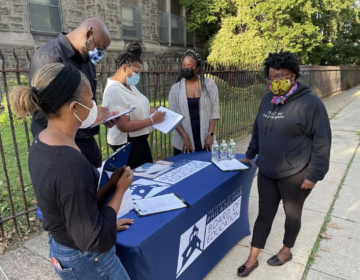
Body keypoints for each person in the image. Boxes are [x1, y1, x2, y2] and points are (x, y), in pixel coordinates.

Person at [11, 63, 133, 280]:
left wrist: (105, 217)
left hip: (67, 244)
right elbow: (94, 240)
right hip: (86, 258)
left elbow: (73, 205)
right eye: (90, 100)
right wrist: (120, 191)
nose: (95, 105)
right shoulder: (69, 164)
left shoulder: (43, 140)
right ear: (75, 108)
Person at [237, 51, 331, 277]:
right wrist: (250, 154)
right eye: (271, 77)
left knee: (292, 215)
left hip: (296, 174)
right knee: (264, 214)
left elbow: (322, 140)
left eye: (281, 76)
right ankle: (252, 258)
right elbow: (258, 130)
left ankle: (286, 250)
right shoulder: (267, 99)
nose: (276, 82)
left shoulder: (311, 103)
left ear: (293, 75)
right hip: (268, 170)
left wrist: (314, 174)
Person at [29, 18, 114, 168]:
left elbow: (86, 100)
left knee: (99, 185)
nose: (99, 53)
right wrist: (90, 118)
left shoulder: (86, 60)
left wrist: (100, 116)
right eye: (99, 48)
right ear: (88, 34)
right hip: (61, 147)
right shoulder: (50, 57)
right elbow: (42, 113)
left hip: (85, 140)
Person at [102, 42, 165, 169]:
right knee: (136, 179)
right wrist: (152, 120)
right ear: (124, 68)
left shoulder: (129, 85)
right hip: (128, 144)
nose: (138, 76)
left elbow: (135, 108)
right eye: (136, 72)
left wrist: (149, 111)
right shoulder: (114, 90)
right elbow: (124, 126)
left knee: (147, 174)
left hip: (140, 140)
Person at [168, 49, 220, 155]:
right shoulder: (175, 89)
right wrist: (185, 137)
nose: (186, 68)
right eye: (184, 65)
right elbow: (173, 117)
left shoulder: (209, 84)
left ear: (197, 69)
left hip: (206, 139)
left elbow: (215, 111)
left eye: (190, 66)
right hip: (183, 142)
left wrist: (210, 134)